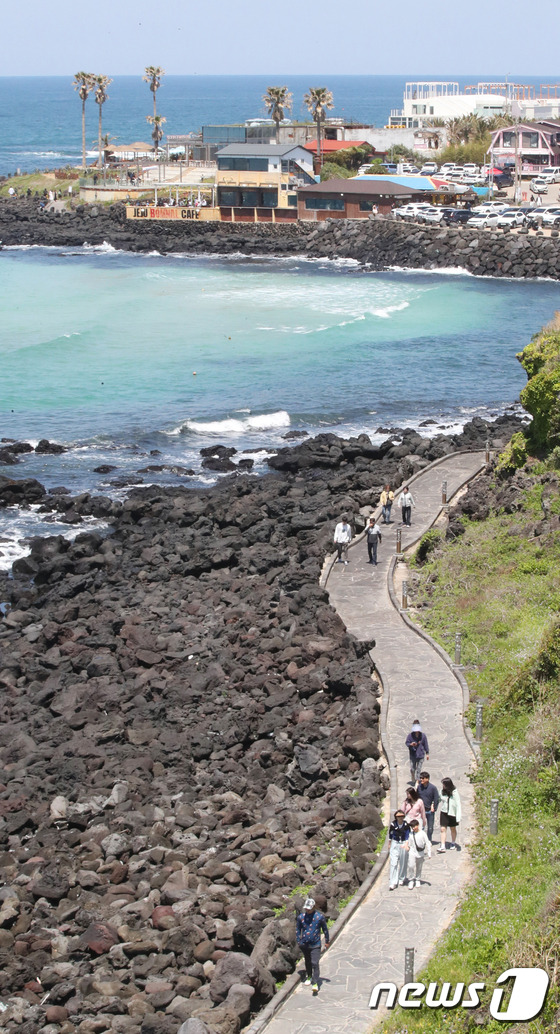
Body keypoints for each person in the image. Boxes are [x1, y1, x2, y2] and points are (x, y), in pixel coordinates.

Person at [296, 897, 330, 994]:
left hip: (315, 944)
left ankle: (315, 982)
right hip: (305, 944)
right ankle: (309, 975)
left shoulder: (319, 917)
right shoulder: (301, 917)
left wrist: (327, 940)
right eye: (306, 908)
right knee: (308, 961)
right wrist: (299, 940)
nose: (308, 910)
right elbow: (298, 929)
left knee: (315, 963)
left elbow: (325, 929)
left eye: (309, 908)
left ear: (313, 907)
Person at [438, 777, 461, 852]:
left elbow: (458, 804)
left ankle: (453, 842)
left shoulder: (454, 792)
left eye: (444, 785)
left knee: (452, 828)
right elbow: (438, 799)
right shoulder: (442, 791)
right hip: (444, 812)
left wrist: (458, 817)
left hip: (452, 813)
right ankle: (443, 845)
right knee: (443, 829)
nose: (443, 786)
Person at [389, 810, 410, 889]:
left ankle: (402, 877)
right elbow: (390, 834)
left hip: (403, 843)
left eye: (402, 816)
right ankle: (393, 882)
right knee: (393, 863)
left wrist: (407, 844)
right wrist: (389, 844)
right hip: (395, 843)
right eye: (398, 817)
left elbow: (408, 835)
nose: (400, 818)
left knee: (403, 861)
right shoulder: (393, 824)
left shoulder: (406, 825)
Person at [416, 771, 440, 843]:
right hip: (421, 811)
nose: (421, 780)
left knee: (430, 828)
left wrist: (434, 807)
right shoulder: (419, 787)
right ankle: (420, 840)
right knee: (420, 827)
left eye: (423, 778)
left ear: (427, 779)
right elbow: (417, 797)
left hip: (429, 810)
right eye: (420, 778)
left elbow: (436, 798)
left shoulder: (433, 788)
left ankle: (429, 840)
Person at [407, 818, 431, 887]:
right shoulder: (411, 834)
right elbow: (409, 843)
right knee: (411, 865)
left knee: (419, 866)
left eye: (414, 826)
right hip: (412, 851)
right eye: (412, 827)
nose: (413, 828)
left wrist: (429, 852)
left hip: (420, 852)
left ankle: (417, 879)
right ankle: (411, 880)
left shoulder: (423, 833)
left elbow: (427, 842)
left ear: (418, 825)